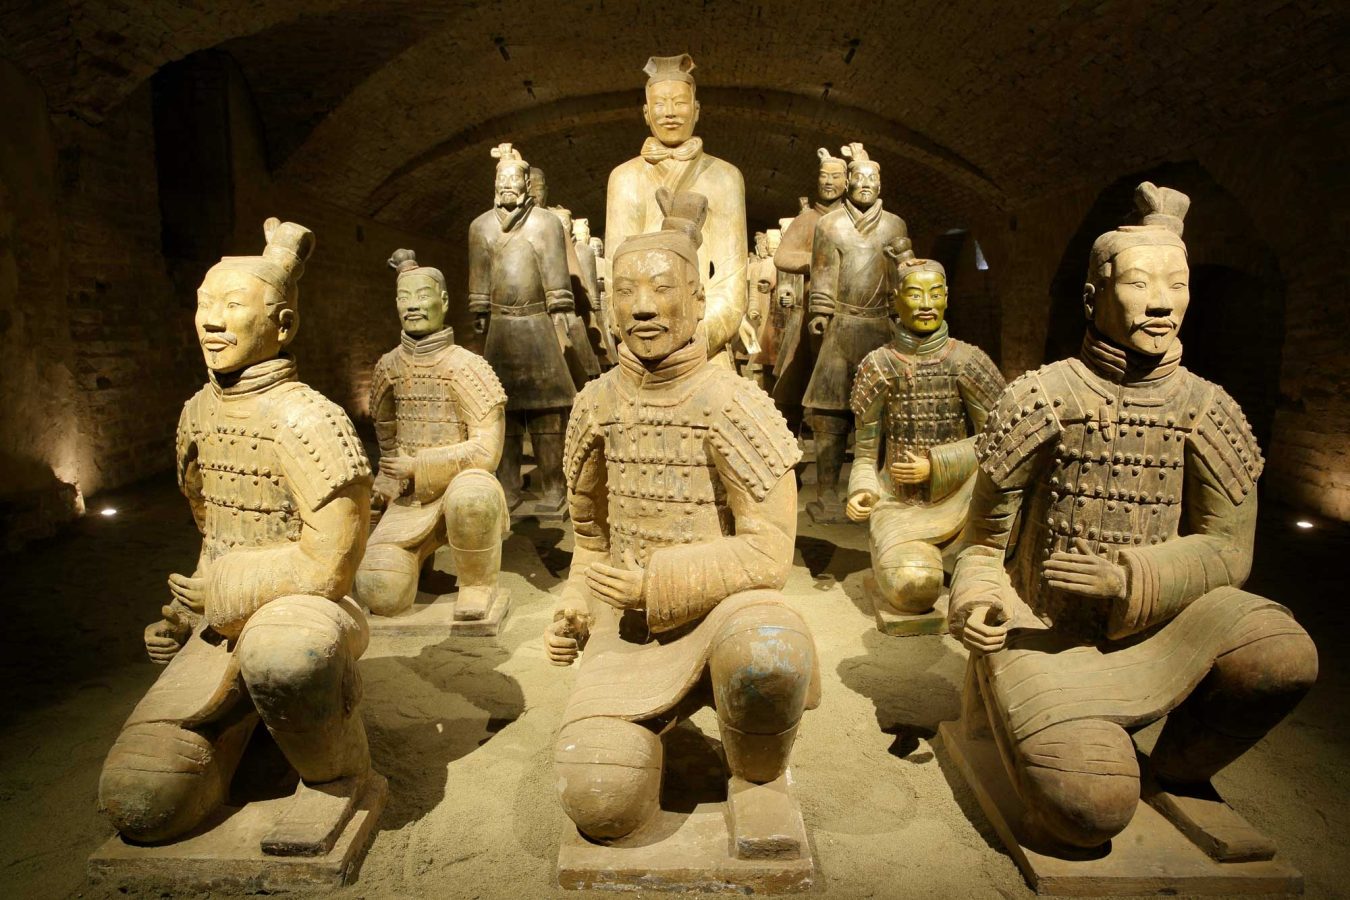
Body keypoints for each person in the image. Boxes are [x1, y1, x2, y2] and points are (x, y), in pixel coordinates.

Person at [949, 183, 1318, 852]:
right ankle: (1065, 741)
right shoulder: (1041, 397)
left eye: (1176, 284)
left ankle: (1176, 770)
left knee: (1282, 655)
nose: (1160, 301)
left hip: (1166, 626)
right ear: (1094, 297)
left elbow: (1229, 550)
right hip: (1045, 634)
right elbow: (983, 541)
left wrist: (1130, 577)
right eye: (1140, 283)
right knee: (1091, 809)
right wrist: (977, 600)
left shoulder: (1208, 409)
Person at [546, 188, 817, 844]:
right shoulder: (595, 406)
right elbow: (591, 541)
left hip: (725, 615)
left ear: (698, 301)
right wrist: (576, 603)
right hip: (631, 633)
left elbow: (768, 553)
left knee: (769, 651)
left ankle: (759, 781)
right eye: (627, 292)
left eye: (663, 289)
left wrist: (656, 582)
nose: (643, 306)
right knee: (601, 803)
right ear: (610, 306)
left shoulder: (733, 402)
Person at [98, 218, 376, 854]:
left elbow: (330, 567)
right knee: (142, 799)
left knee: (283, 656)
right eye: (205, 304)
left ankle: (335, 777)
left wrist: (221, 590)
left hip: (305, 613)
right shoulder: (198, 413)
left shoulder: (310, 419)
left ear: (283, 325)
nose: (211, 321)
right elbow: (214, 532)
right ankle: (252, 728)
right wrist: (182, 613)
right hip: (219, 623)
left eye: (232, 305)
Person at [354, 249, 509, 621]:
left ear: (443, 302)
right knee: (380, 592)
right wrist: (387, 479)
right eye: (404, 298)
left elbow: (487, 450)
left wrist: (417, 465)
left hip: (461, 487)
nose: (412, 306)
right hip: (410, 501)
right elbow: (387, 434)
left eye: (422, 296)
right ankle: (415, 564)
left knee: (473, 496)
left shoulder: (467, 366)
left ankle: (477, 585)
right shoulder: (388, 366)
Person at [846, 259, 1004, 620]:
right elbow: (865, 454)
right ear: (896, 300)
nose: (926, 304)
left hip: (967, 500)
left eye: (935, 294)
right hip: (901, 506)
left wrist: (938, 464)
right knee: (915, 588)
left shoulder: (968, 361)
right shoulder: (878, 365)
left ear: (947, 297)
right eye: (915, 295)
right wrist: (862, 491)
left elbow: (999, 440)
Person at [605, 53, 748, 368]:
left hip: (703, 345)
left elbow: (732, 282)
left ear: (696, 110)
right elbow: (615, 279)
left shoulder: (725, 177)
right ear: (646, 113)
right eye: (659, 104)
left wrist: (696, 340)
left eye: (680, 103)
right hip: (640, 341)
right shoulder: (624, 178)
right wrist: (640, 337)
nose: (670, 113)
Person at [468, 144, 578, 516]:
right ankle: (507, 486)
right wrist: (479, 308)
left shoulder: (546, 223)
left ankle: (553, 487)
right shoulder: (480, 227)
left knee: (548, 414)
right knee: (505, 412)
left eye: (514, 179)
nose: (507, 185)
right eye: (501, 179)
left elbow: (555, 271)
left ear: (527, 183)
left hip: (537, 326)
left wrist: (560, 308)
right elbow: (479, 273)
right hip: (500, 330)